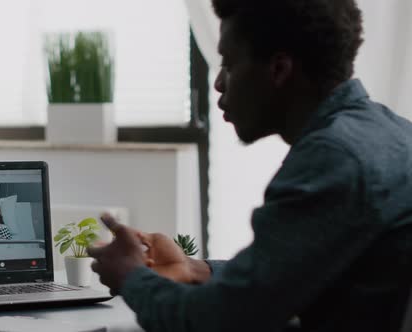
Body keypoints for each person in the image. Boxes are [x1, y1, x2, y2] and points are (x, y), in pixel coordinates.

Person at [87, 0, 412, 331]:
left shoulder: (334, 159)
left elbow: (213, 321)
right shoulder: (393, 132)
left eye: (229, 64)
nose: (218, 83)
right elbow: (285, 274)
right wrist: (195, 269)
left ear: (279, 69)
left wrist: (131, 275)